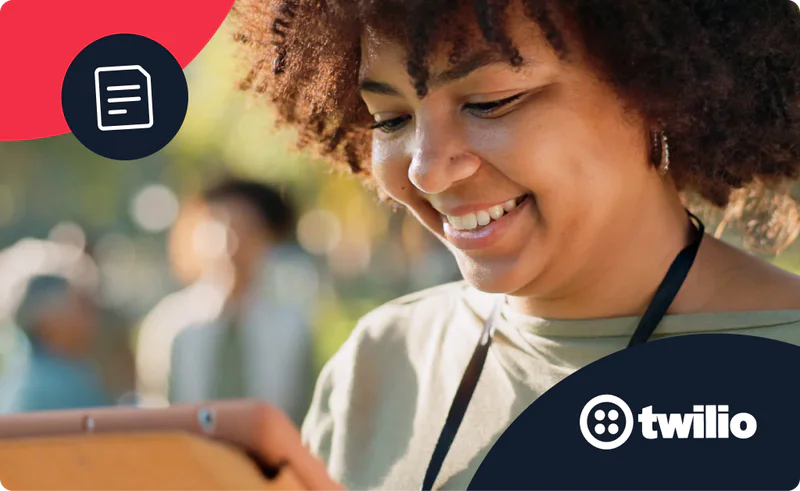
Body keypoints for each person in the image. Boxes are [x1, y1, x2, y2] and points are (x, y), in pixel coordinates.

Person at [233, 1, 800, 489]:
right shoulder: (380, 363)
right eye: (391, 118)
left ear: (662, 88)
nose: (428, 171)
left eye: (490, 103)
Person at [163, 177, 318, 426]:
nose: (231, 243)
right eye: (220, 227)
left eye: (246, 229)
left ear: (266, 239)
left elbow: (303, 416)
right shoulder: (173, 324)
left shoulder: (291, 329)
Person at [2, 274, 113, 412]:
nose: (89, 320)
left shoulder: (71, 370)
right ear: (47, 321)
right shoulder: (42, 386)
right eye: (78, 308)